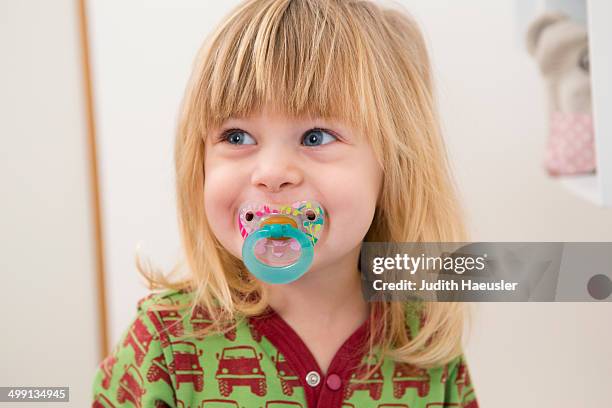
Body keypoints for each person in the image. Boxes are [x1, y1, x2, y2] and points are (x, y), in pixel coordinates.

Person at [91, 0, 479, 407]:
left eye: (316, 136)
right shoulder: (165, 342)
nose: (272, 172)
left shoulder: (423, 341)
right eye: (237, 137)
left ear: (393, 166)